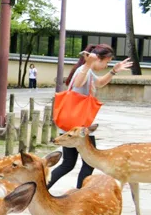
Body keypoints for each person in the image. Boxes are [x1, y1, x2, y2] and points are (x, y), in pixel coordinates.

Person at [47, 43, 132, 188]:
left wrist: (113, 71)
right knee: (89, 163)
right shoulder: (84, 70)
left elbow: (99, 83)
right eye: (107, 62)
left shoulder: (88, 71)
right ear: (98, 59)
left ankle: (42, 189)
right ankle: (80, 195)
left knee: (68, 164)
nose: (106, 65)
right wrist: (88, 64)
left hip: (72, 125)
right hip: (80, 128)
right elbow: (78, 83)